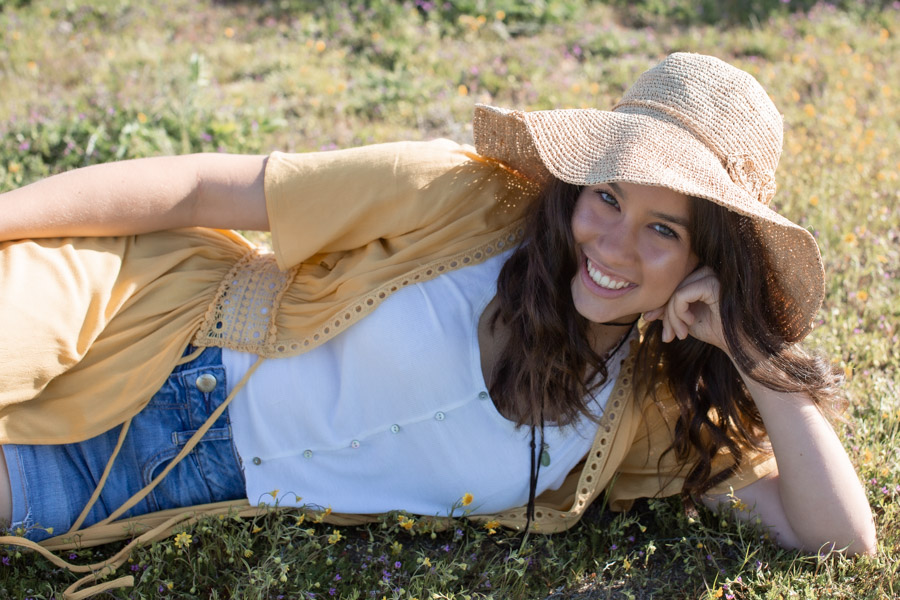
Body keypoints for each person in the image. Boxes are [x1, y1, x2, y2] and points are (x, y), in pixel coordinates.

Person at [0, 52, 876, 594]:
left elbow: (835, 537)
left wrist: (753, 354)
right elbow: (209, 188)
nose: (611, 244)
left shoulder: (639, 412)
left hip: (151, 488)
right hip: (140, 327)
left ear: (704, 264)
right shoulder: (465, 198)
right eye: (607, 197)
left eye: (663, 230)